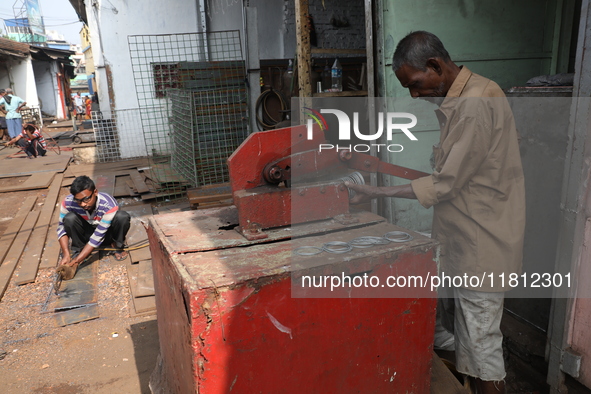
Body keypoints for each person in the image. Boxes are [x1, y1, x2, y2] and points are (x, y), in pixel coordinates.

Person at [346, 31, 525, 394]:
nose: (414, 95)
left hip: (482, 243)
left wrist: (374, 190)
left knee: (480, 344)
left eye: (416, 84)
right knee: (461, 334)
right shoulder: (463, 99)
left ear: (435, 66)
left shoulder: (475, 105)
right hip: (462, 236)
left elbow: (445, 183)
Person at [56, 175, 131, 280]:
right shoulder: (68, 203)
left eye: (86, 199)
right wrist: (65, 253)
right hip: (87, 233)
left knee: (122, 217)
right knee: (69, 218)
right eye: (78, 201)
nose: (83, 204)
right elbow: (61, 228)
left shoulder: (109, 204)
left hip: (106, 234)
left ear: (95, 192)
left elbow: (98, 236)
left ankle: (116, 245)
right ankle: (80, 249)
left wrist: (76, 262)